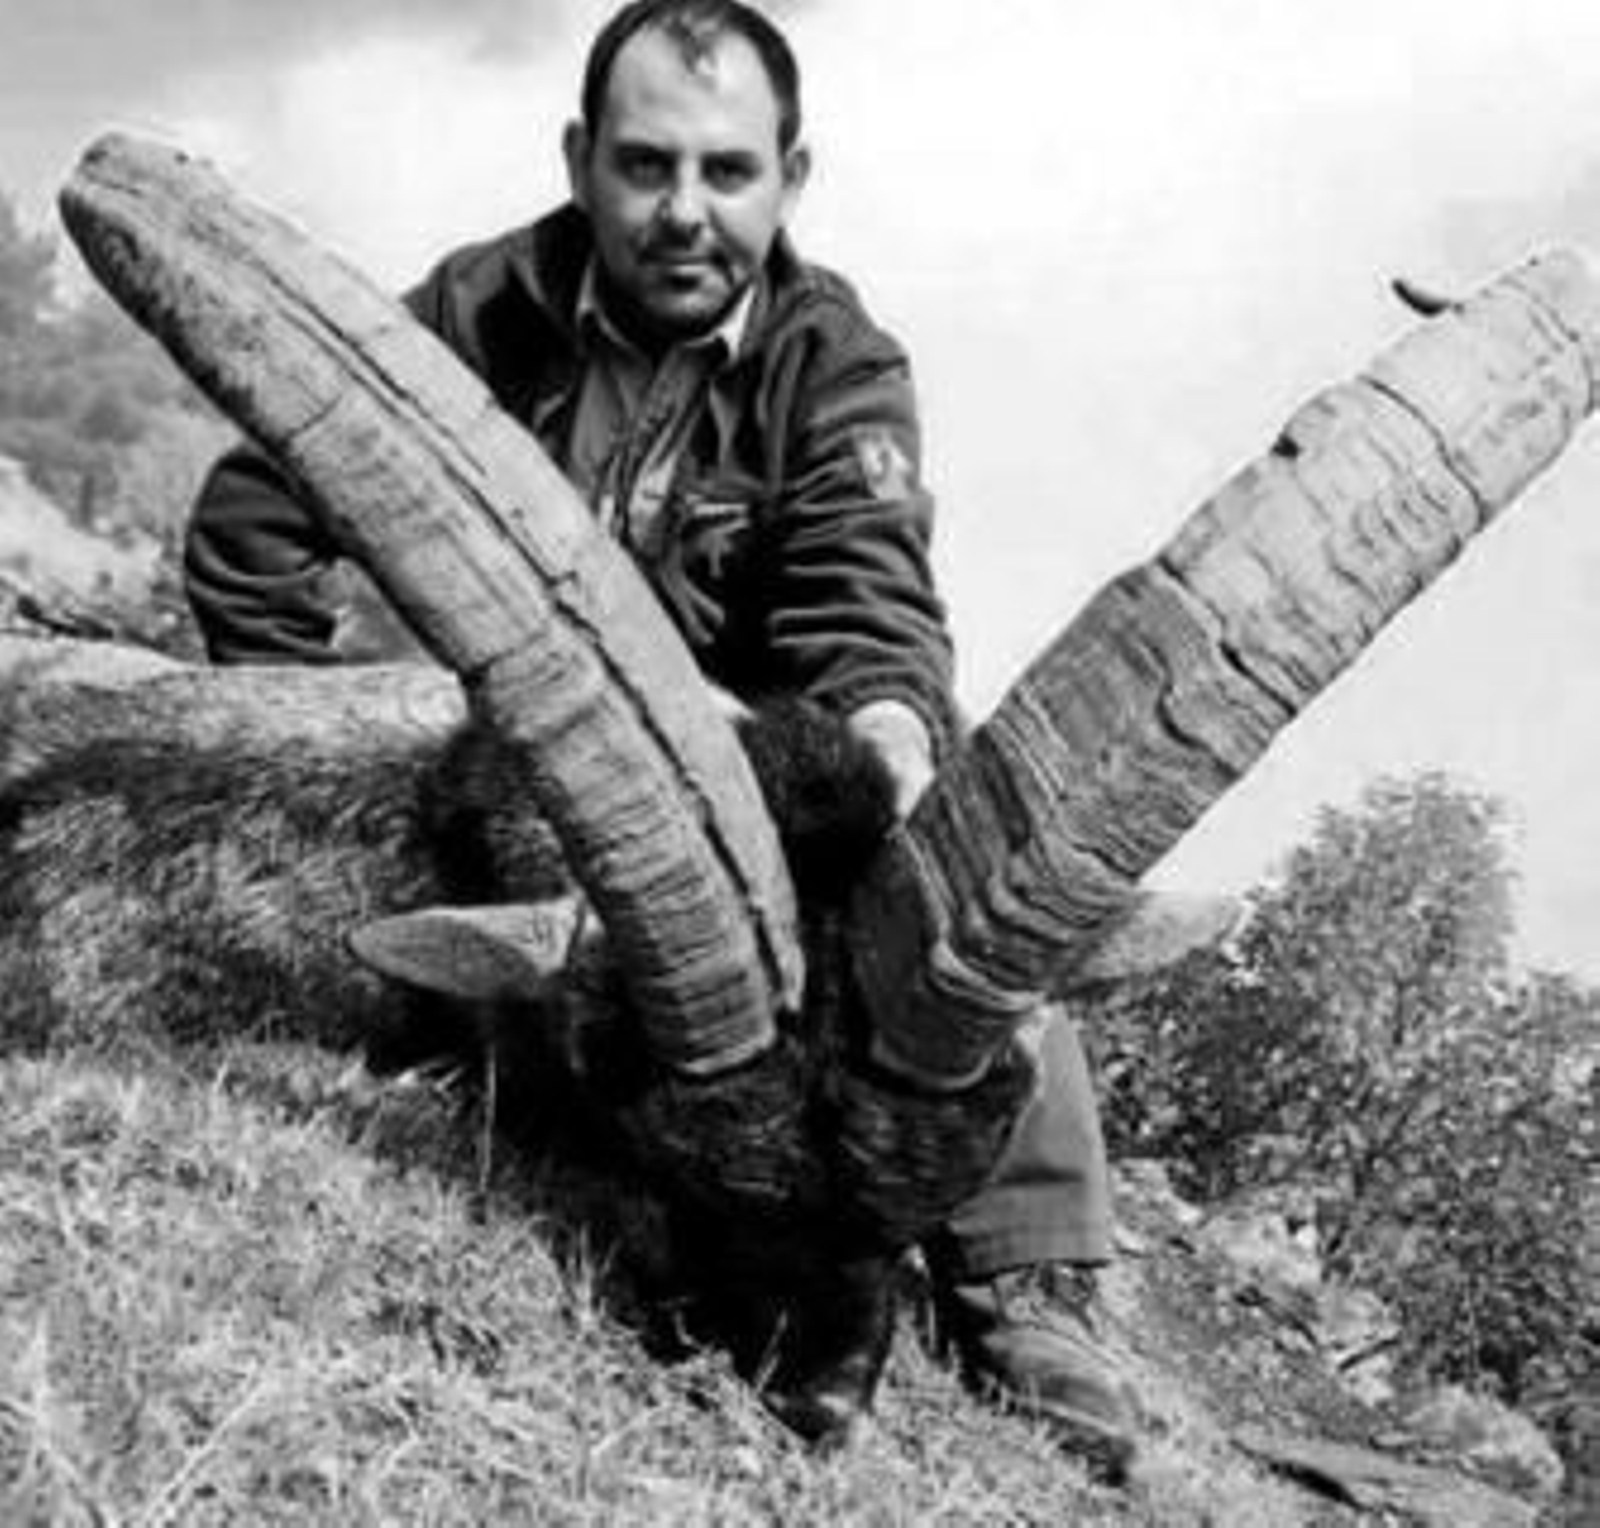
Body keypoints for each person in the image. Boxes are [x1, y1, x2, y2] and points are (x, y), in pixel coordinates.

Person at [184, 0, 1136, 1466]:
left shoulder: (835, 364)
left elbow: (866, 604)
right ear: (582, 161)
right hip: (527, 775)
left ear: (789, 180)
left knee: (974, 871)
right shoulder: (474, 311)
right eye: (645, 166)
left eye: (728, 171)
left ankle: (1030, 1271)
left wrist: (893, 745)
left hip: (762, 792)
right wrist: (296, 708)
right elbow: (258, 516)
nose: (685, 210)